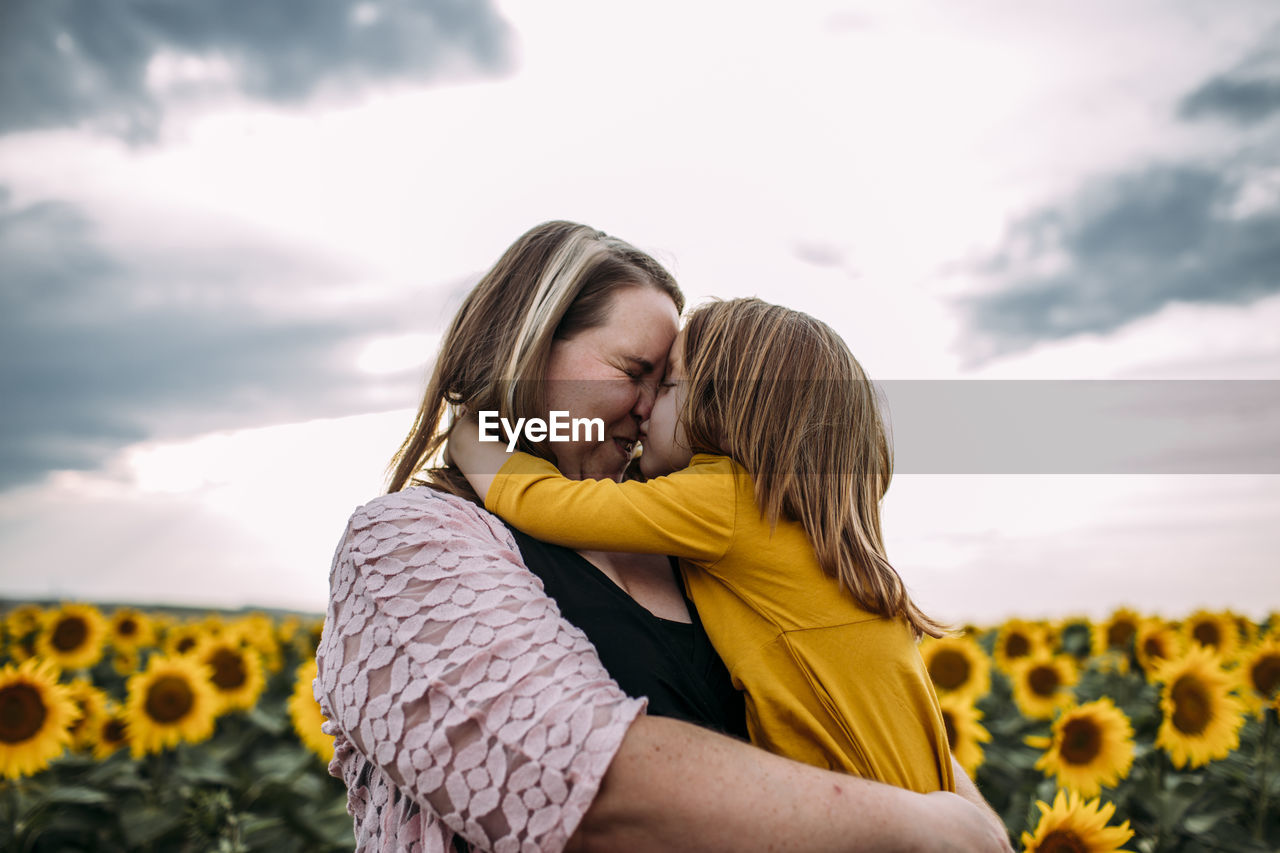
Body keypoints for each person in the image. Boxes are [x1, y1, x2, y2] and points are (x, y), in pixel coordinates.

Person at [315, 221, 1013, 852]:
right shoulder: (412, 541)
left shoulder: (694, 539)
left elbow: (886, 722)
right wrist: (920, 826)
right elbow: (579, 790)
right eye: (633, 373)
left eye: (670, 383)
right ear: (526, 349)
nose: (651, 408)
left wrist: (962, 822)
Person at [450, 297, 953, 794]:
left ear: (727, 404)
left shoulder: (725, 499)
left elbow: (546, 503)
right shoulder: (801, 519)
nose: (645, 408)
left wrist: (472, 434)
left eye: (668, 384)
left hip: (865, 814)